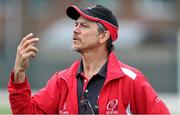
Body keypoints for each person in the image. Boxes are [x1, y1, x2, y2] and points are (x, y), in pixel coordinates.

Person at [8, 4, 170, 114]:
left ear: (103, 36)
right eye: (76, 25)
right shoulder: (62, 80)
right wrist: (19, 74)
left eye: (84, 26)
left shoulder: (131, 80)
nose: (75, 30)